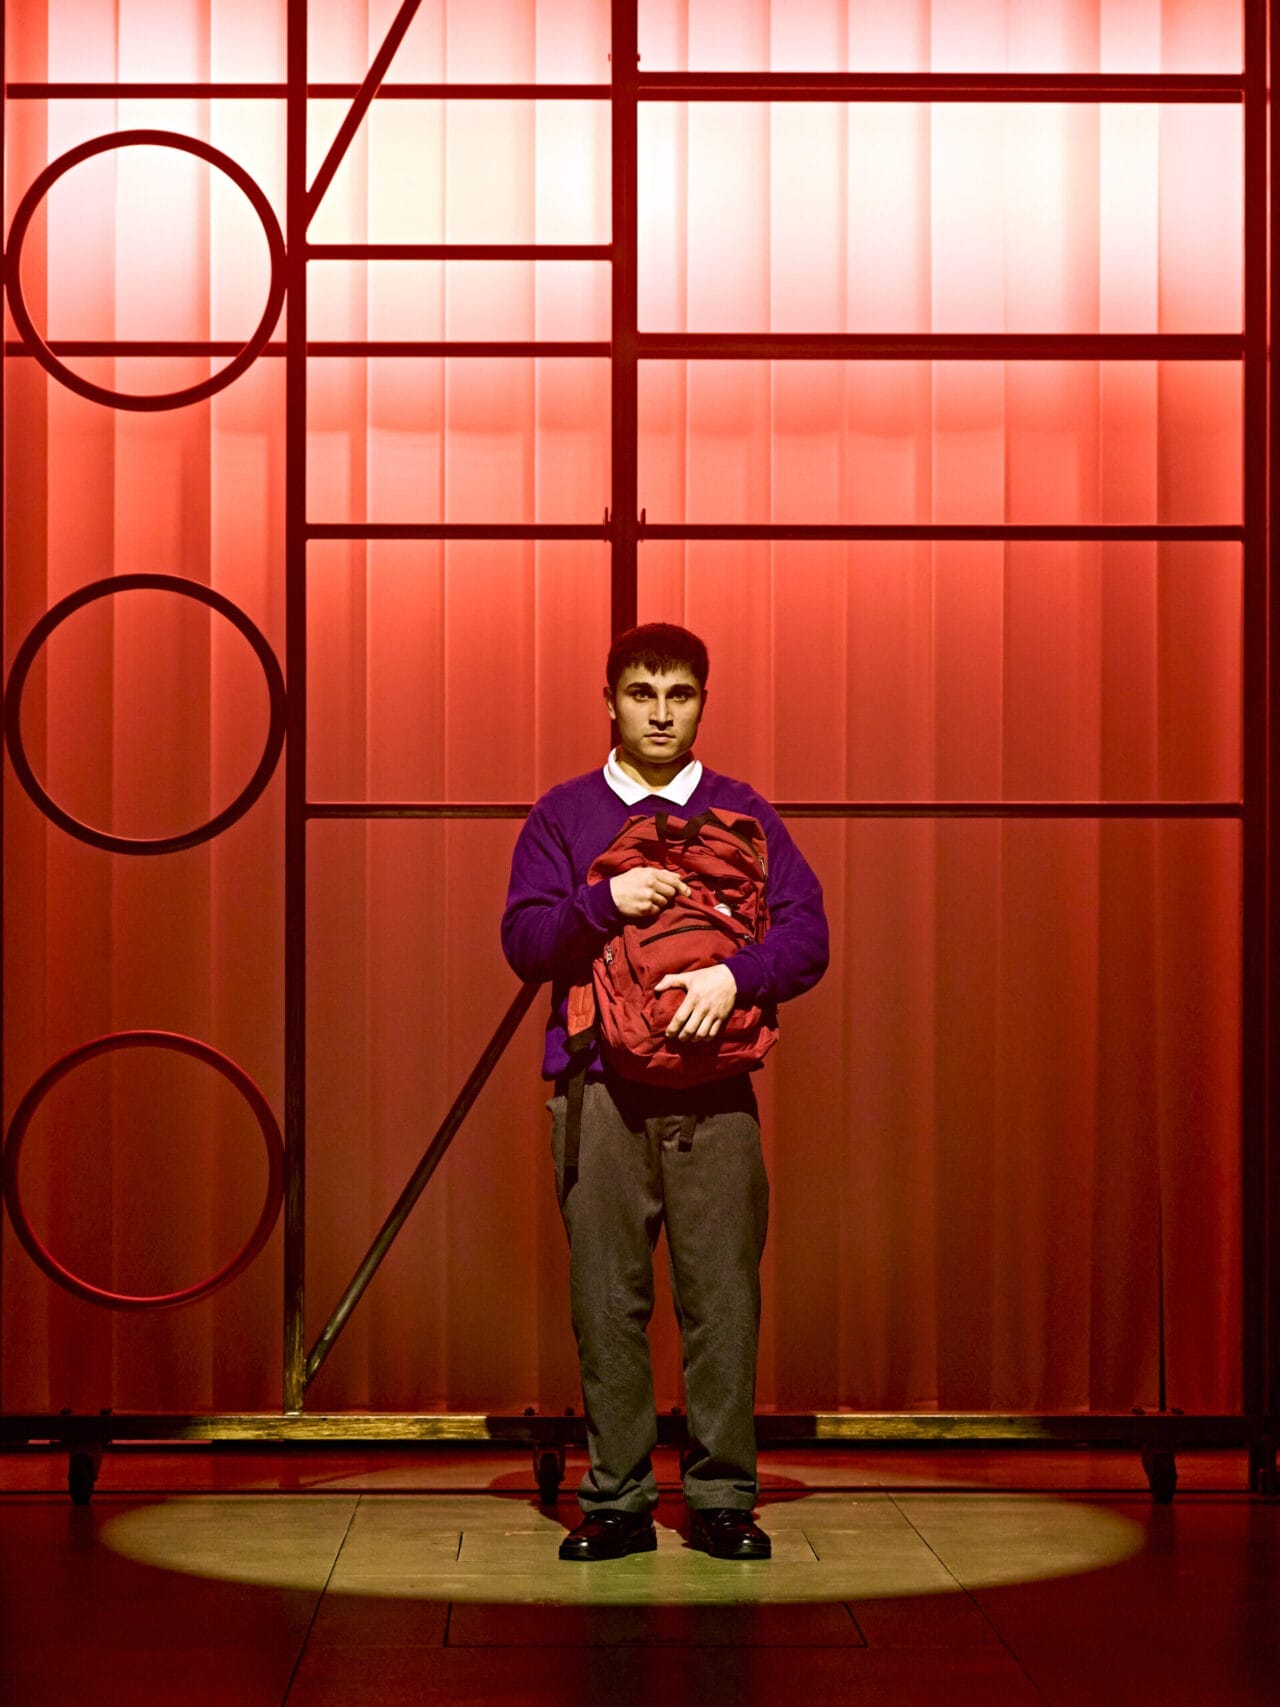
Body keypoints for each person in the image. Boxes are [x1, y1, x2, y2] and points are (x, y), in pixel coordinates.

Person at [500, 622, 829, 1561]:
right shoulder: (563, 814)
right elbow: (523, 943)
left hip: (718, 1087)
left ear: (702, 703)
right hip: (600, 1086)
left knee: (722, 1296)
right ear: (608, 700)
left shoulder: (745, 811)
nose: (659, 711)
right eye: (641, 692)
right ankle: (619, 1500)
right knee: (607, 1296)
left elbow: (811, 937)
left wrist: (740, 976)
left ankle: (723, 1497)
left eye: (678, 694)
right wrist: (607, 900)